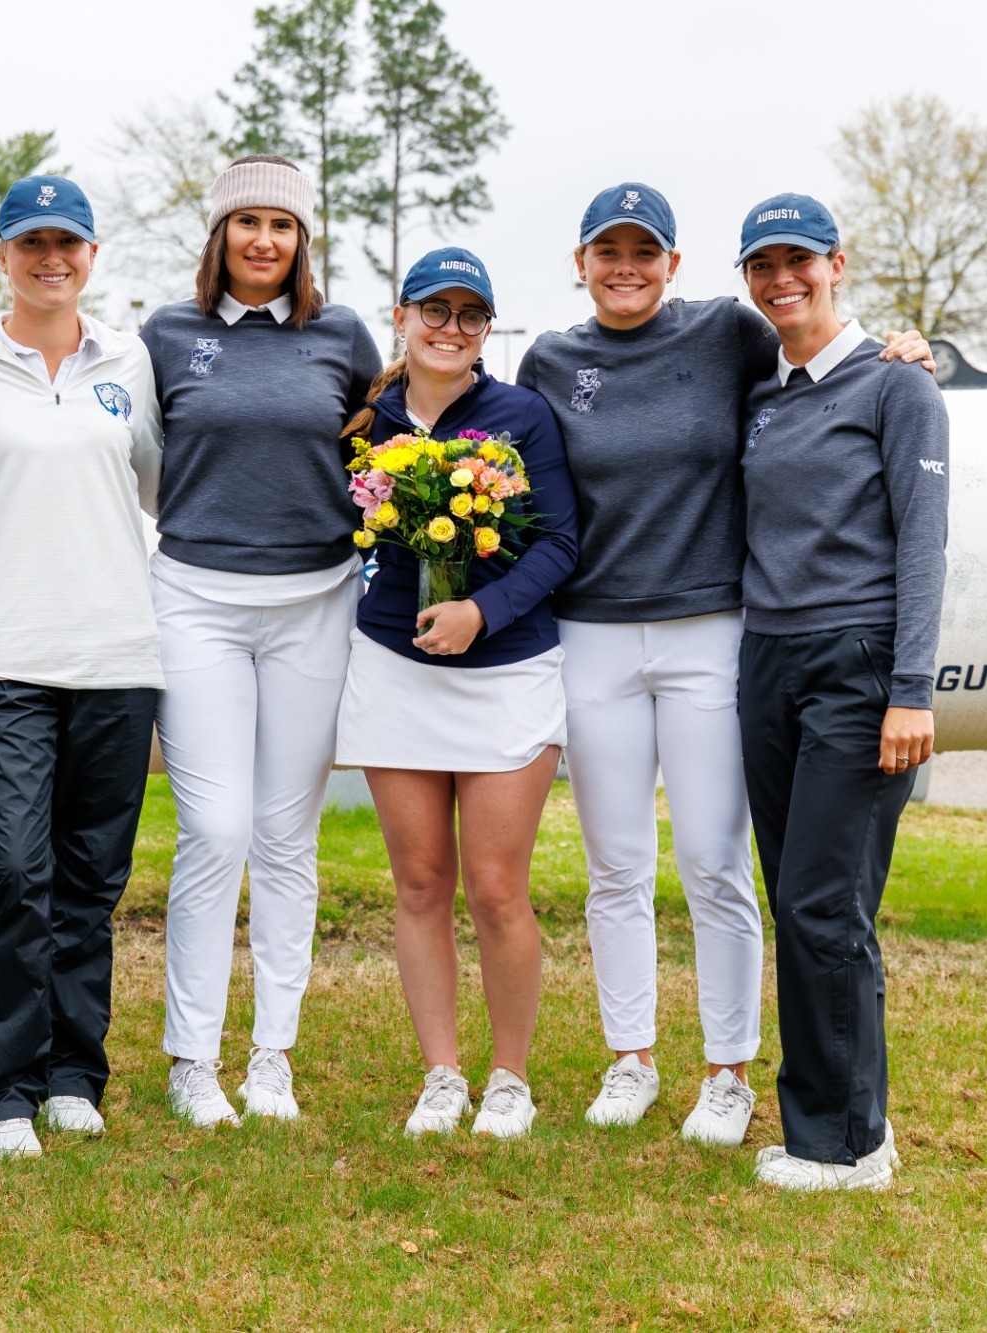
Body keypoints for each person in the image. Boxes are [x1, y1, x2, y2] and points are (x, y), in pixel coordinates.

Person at [515, 185, 932, 1146]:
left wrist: (912, 350)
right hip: (595, 634)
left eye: (646, 251)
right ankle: (631, 1058)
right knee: (614, 862)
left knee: (713, 859)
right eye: (606, 251)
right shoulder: (550, 359)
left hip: (712, 632)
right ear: (579, 263)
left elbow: (829, 357)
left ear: (675, 263)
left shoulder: (729, 334)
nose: (627, 267)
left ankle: (728, 1069)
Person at [0, 176, 163, 1160]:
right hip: (2, 661)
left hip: (117, 655)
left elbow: (159, 493)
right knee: (13, 871)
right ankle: (2, 1090)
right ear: (1, 256)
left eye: (68, 243)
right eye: (31, 243)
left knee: (88, 879)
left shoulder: (133, 363)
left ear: (92, 256)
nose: (49, 258)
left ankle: (71, 1073)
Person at [138, 156, 382, 1127]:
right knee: (215, 831)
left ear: (300, 240)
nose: (264, 242)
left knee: (286, 837)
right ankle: (191, 1059)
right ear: (218, 235)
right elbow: (139, 457)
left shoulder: (339, 335)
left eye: (281, 227)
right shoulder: (164, 335)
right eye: (246, 224)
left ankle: (268, 1057)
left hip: (313, 603)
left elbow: (392, 427)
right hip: (193, 599)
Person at [335, 248, 579, 1140]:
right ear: (401, 317)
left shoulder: (521, 414)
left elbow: (559, 542)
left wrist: (484, 609)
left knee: (496, 886)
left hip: (507, 669)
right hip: (394, 669)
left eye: (469, 316)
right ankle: (442, 1075)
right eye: (433, 311)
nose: (450, 330)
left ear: (488, 330)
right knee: (420, 881)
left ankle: (508, 1077)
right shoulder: (369, 417)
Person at [732, 194, 948, 1191]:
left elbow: (922, 542)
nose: (781, 281)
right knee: (804, 901)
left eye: (798, 262)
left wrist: (909, 689)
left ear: (836, 263)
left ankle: (842, 1144)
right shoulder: (765, 394)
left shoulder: (896, 385)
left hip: (855, 667)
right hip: (768, 661)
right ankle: (850, 1120)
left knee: (826, 903)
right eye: (761, 266)